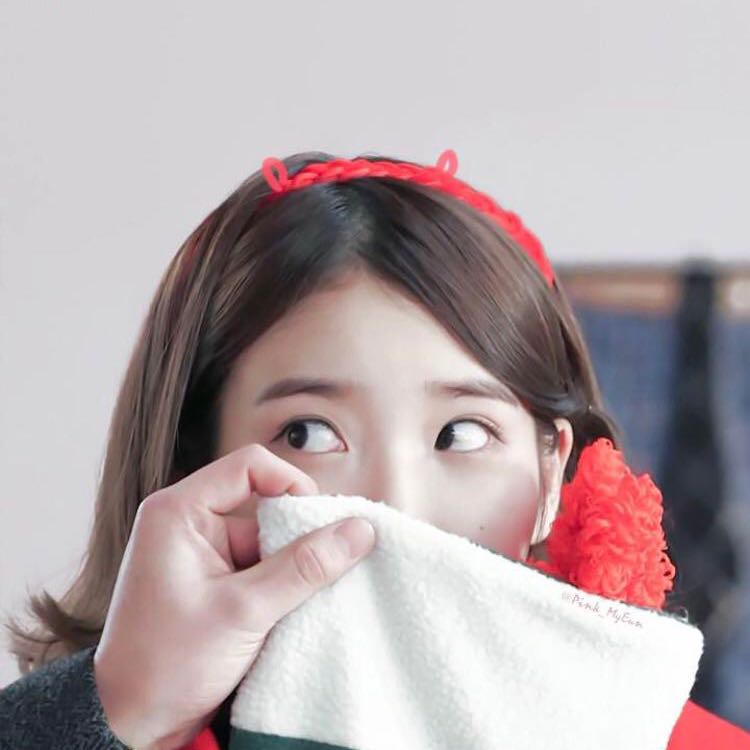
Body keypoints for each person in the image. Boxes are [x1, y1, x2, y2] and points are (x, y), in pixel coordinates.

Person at [1, 149, 747, 749]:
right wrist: (121, 712)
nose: (398, 506)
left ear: (551, 473)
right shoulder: (126, 722)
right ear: (195, 469)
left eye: (462, 434)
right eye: (309, 434)